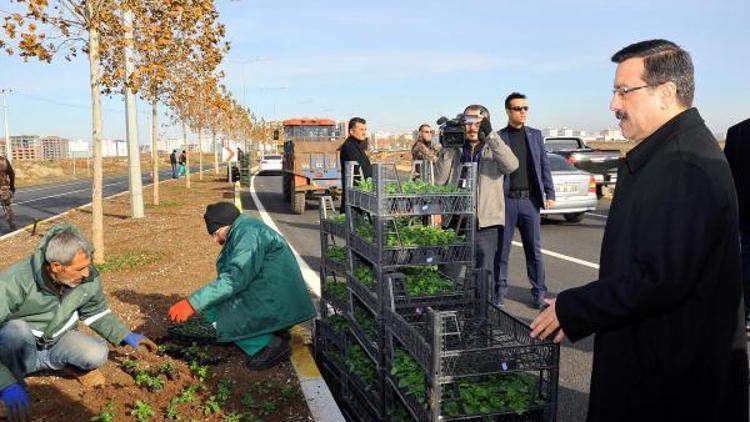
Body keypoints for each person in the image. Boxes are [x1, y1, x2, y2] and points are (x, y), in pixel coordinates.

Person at [530, 39, 749, 422]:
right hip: (659, 362)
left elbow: (659, 278)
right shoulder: (669, 153)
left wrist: (574, 307)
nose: (614, 104)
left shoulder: (685, 164)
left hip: (672, 382)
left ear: (665, 93)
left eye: (623, 91)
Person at [0, 224, 158, 422]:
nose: (86, 273)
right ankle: (12, 380)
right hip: (18, 347)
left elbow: (95, 312)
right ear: (56, 267)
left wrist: (124, 335)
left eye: (87, 266)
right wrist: (5, 383)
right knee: (15, 330)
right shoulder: (14, 281)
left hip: (56, 342)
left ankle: (61, 363)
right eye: (80, 269)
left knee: (97, 354)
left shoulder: (88, 278)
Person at [168, 202, 316, 370]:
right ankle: (274, 331)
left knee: (214, 309)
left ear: (227, 225)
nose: (216, 240)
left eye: (216, 233)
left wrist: (193, 302)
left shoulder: (248, 235)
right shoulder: (247, 228)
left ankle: (268, 346)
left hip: (276, 301)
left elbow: (234, 278)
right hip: (279, 298)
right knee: (223, 302)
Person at [434, 105, 518, 282]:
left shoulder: (494, 147)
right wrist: (448, 146)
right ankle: (447, 307)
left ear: (485, 124)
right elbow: (440, 179)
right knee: (447, 272)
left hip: (485, 222)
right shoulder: (456, 148)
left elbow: (511, 165)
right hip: (455, 220)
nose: (472, 128)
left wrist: (491, 137)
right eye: (467, 122)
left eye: (477, 123)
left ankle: (481, 309)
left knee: (482, 275)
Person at [494, 93, 555, 309]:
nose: (523, 112)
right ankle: (499, 292)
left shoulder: (535, 135)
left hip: (530, 201)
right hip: (507, 202)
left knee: (534, 251)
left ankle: (539, 293)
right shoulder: (499, 137)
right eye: (518, 108)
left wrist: (550, 194)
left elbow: (543, 166)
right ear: (508, 111)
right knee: (501, 250)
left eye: (526, 108)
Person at [724, 117, 750, 332]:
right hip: (743, 212)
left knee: (745, 259)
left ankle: (745, 312)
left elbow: (727, 177)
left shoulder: (737, 132)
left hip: (743, 211)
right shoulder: (737, 132)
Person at [339, 117, 372, 212]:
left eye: (365, 129)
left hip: (358, 193)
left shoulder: (357, 145)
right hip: (354, 194)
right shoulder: (349, 146)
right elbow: (360, 169)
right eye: (361, 129)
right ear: (351, 131)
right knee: (352, 221)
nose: (364, 132)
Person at [0, 155, 16, 230]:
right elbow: (12, 174)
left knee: (7, 207)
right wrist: (12, 187)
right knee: (7, 208)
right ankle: (12, 226)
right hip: (4, 188)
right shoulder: (4, 160)